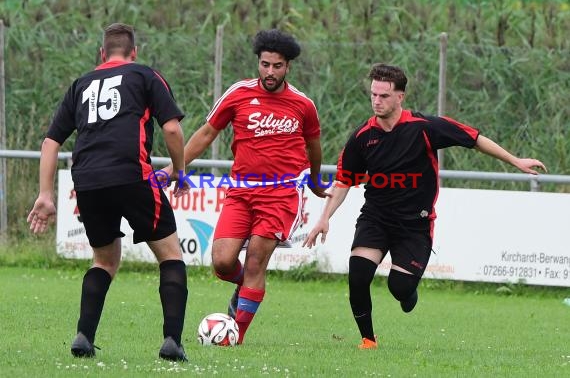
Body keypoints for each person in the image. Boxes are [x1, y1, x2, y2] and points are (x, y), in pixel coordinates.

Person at [303, 63, 547, 349]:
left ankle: (408, 292)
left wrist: (516, 161)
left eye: (383, 95)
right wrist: (324, 218)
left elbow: (474, 139)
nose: (376, 101)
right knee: (358, 275)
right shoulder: (362, 138)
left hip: (414, 224)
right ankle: (368, 340)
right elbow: (343, 182)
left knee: (400, 288)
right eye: (373, 95)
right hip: (376, 218)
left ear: (400, 97)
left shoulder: (424, 128)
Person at [27, 23, 190, 361]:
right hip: (132, 174)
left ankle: (84, 337)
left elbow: (50, 142)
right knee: (171, 256)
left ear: (102, 54)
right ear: (134, 52)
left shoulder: (80, 84)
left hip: (88, 181)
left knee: (104, 260)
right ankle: (172, 341)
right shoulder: (145, 75)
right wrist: (180, 169)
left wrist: (45, 194)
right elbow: (172, 128)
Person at [163, 29, 327, 345]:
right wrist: (174, 168)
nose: (269, 72)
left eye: (277, 66)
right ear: (258, 62)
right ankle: (247, 286)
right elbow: (207, 133)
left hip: (281, 193)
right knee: (223, 262)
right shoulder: (238, 94)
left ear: (287, 67)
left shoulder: (302, 104)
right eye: (265, 64)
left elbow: (314, 145)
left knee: (254, 261)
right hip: (241, 190)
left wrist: (317, 179)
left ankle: (235, 337)